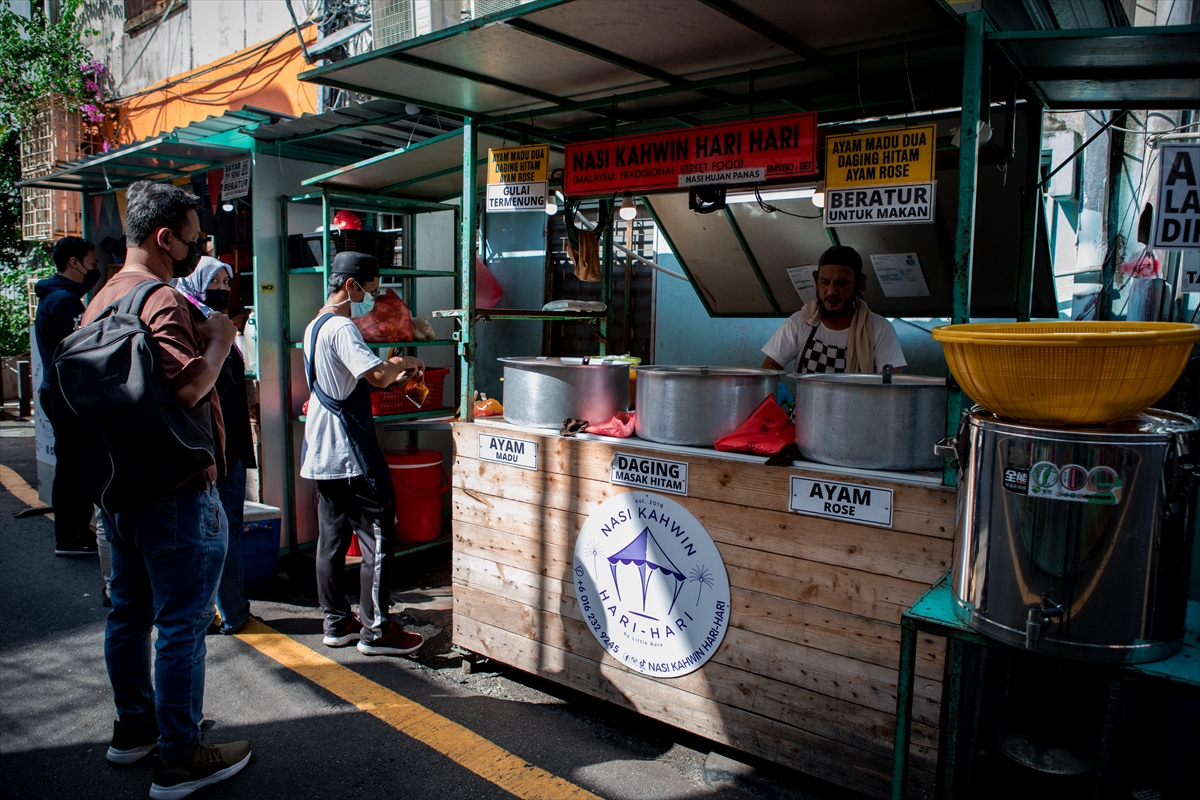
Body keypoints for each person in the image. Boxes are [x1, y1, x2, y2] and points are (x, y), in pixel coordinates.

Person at [80, 181, 251, 799]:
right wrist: (221, 340)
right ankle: (180, 757)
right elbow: (186, 390)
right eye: (194, 235)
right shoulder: (160, 301)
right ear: (165, 239)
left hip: (118, 485)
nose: (197, 245)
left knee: (128, 614)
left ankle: (135, 730)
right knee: (181, 624)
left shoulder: (100, 300)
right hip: (176, 490)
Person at [301, 251, 425, 657]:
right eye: (370, 288)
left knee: (331, 540)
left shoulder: (313, 326)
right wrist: (404, 362)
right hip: (347, 451)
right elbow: (375, 374)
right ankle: (376, 630)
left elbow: (350, 380)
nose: (372, 296)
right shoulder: (341, 327)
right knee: (377, 537)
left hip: (320, 451)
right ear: (351, 285)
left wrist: (390, 373)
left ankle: (336, 623)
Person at [177, 256, 255, 635]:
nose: (223, 288)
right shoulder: (196, 325)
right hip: (215, 446)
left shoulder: (213, 323)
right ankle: (229, 611)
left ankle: (221, 610)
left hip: (229, 443)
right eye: (215, 281)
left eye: (227, 282)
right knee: (222, 531)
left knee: (220, 530)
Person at [34, 237, 101, 557]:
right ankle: (72, 536)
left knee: (72, 465)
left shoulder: (58, 297)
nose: (96, 268)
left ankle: (72, 533)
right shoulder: (64, 302)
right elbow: (80, 352)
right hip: (67, 394)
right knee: (75, 468)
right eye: (92, 262)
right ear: (74, 262)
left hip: (60, 391)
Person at [761, 245, 906, 375]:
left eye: (841, 283)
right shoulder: (799, 322)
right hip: (805, 405)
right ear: (815, 278)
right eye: (824, 282)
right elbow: (771, 364)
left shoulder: (879, 328)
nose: (831, 291)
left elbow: (891, 380)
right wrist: (775, 390)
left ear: (860, 282)